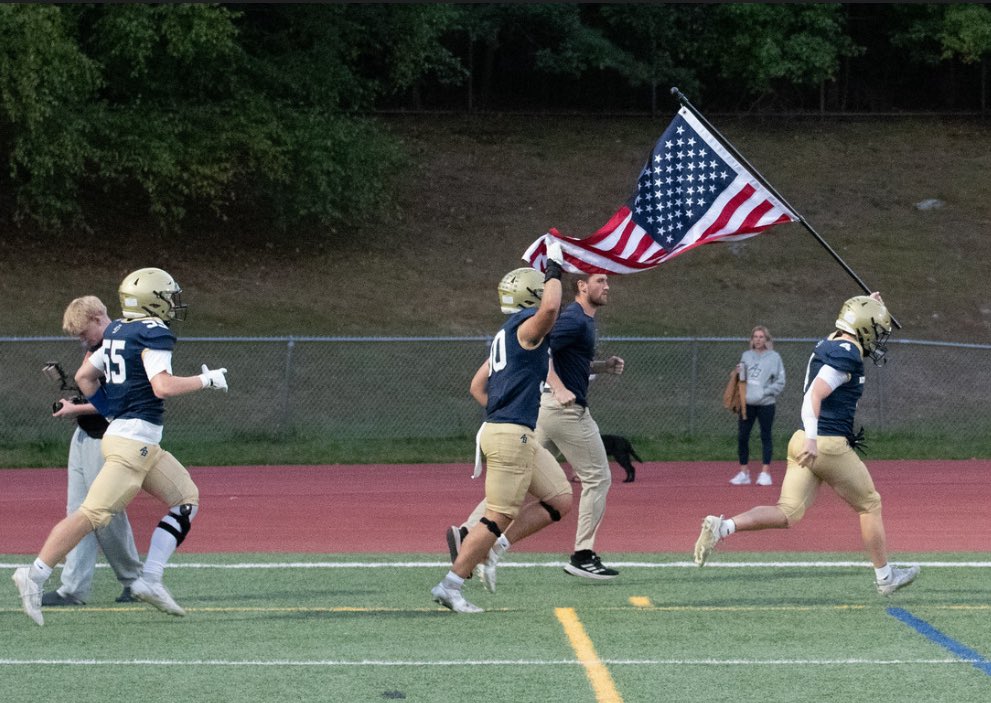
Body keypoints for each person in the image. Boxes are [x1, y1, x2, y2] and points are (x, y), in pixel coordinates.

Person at [12, 267, 229, 626]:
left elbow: (84, 377)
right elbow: (162, 387)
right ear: (151, 300)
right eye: (168, 297)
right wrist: (207, 379)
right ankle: (33, 575)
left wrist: (113, 409)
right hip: (133, 443)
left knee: (186, 498)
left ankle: (151, 580)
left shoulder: (116, 331)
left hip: (136, 441)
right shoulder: (153, 332)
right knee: (91, 514)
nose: (173, 304)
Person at [694, 293, 920, 596]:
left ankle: (723, 527)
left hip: (801, 439)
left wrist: (868, 302)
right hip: (824, 443)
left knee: (786, 512)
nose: (878, 339)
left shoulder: (830, 342)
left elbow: (843, 332)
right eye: (876, 330)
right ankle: (885, 577)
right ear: (863, 328)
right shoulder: (847, 355)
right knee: (869, 504)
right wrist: (814, 440)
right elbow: (814, 395)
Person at [431, 241, 564, 613]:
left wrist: (505, 409)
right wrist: (555, 268)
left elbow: (478, 386)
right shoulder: (525, 327)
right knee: (498, 515)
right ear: (531, 294)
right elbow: (551, 306)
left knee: (559, 499)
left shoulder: (506, 333)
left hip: (511, 429)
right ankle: (451, 584)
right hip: (510, 433)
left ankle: (494, 549)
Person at [42, 296, 143, 607]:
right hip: (85, 435)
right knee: (78, 513)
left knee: (105, 515)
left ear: (100, 318)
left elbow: (117, 402)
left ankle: (136, 582)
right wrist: (75, 401)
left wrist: (76, 408)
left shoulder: (121, 346)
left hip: (109, 439)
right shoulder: (97, 347)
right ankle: (73, 588)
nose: (81, 339)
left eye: (83, 332)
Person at [538, 272, 624, 579]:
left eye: (607, 282)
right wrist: (559, 388)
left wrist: (602, 366)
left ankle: (471, 534)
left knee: (516, 478)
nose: (606, 286)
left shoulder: (583, 320)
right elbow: (539, 349)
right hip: (565, 411)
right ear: (582, 286)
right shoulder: (574, 318)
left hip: (548, 410)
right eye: (599, 280)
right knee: (598, 478)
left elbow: (568, 360)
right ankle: (582, 555)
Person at [728, 325, 786, 487]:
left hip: (766, 403)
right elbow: (742, 378)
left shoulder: (774, 357)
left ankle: (765, 473)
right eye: (755, 337)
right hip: (747, 404)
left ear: (766, 339)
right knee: (742, 436)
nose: (758, 340)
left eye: (761, 337)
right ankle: (743, 472)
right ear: (752, 339)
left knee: (765, 436)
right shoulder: (746, 355)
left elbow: (780, 382)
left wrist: (765, 392)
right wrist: (738, 373)